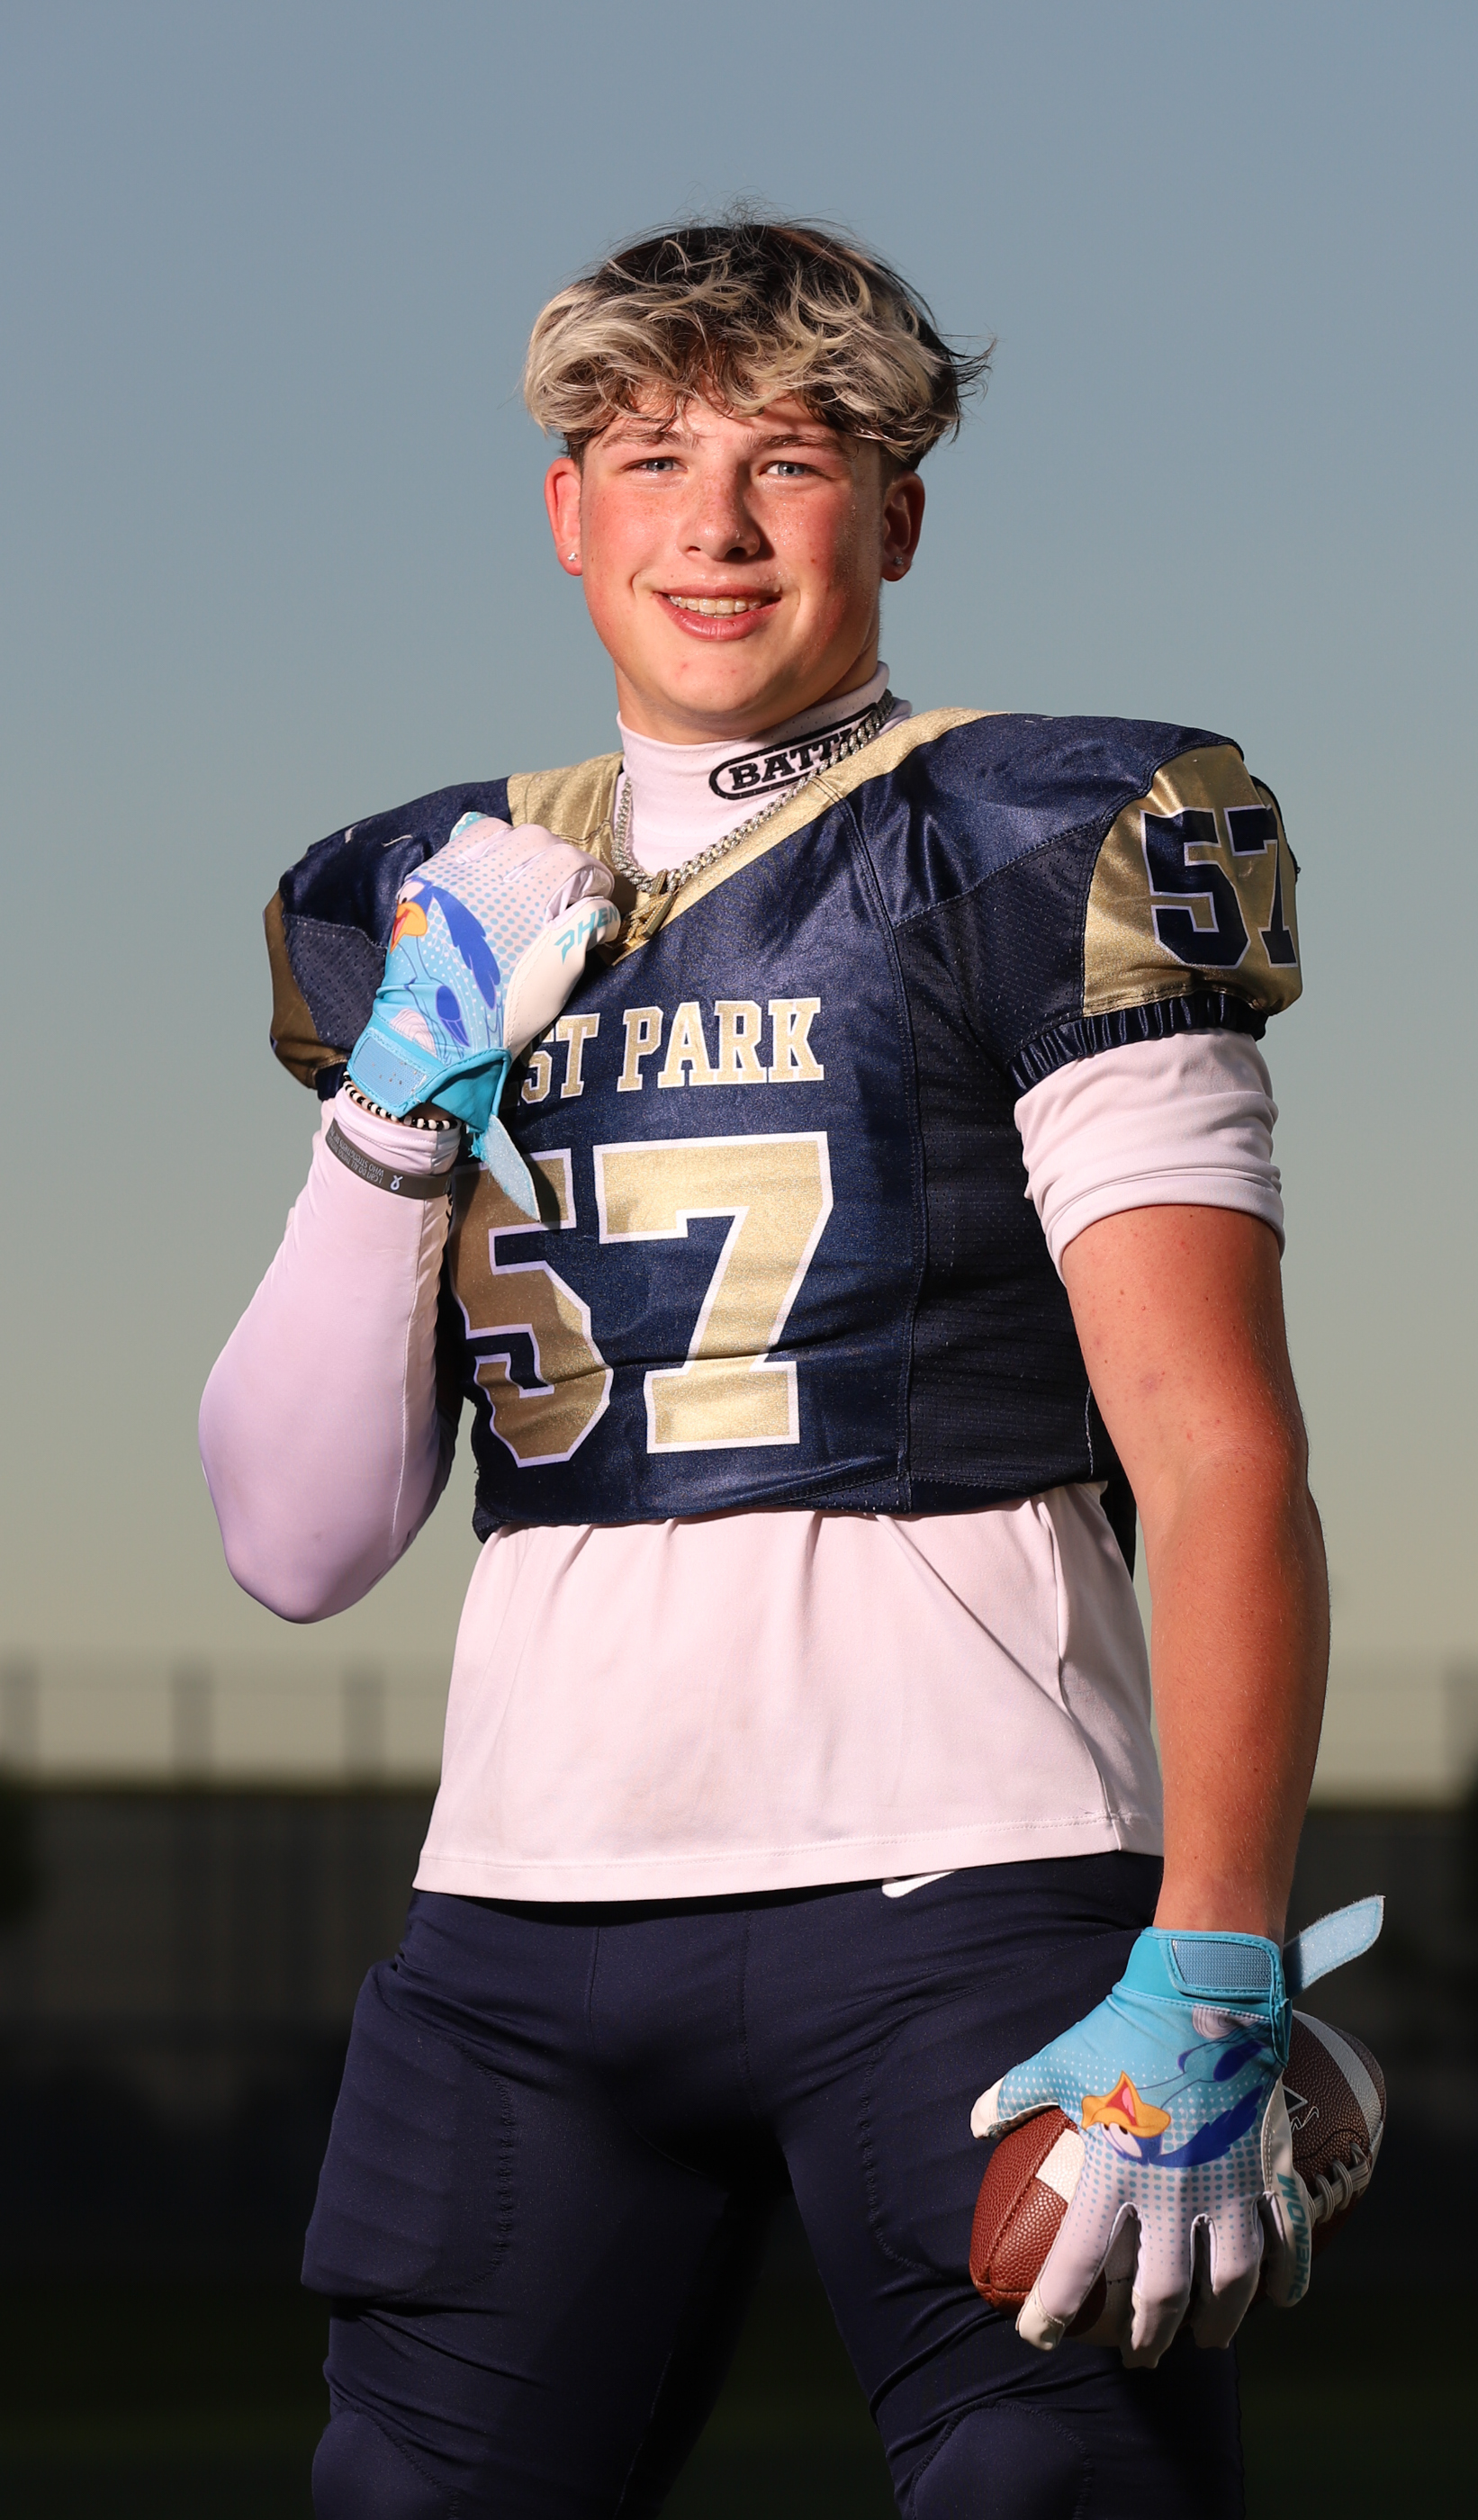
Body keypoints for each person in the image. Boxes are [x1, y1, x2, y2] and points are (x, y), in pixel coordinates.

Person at [202, 217, 1351, 2520]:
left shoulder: (1041, 833)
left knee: (1051, 2491)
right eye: (650, 458)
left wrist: (1217, 1946)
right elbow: (299, 1541)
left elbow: (1216, 1446)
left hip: (966, 1868)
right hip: (522, 1904)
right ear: (566, 510)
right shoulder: (429, 894)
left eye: (787, 461)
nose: (712, 525)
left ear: (895, 514)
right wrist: (394, 1111)